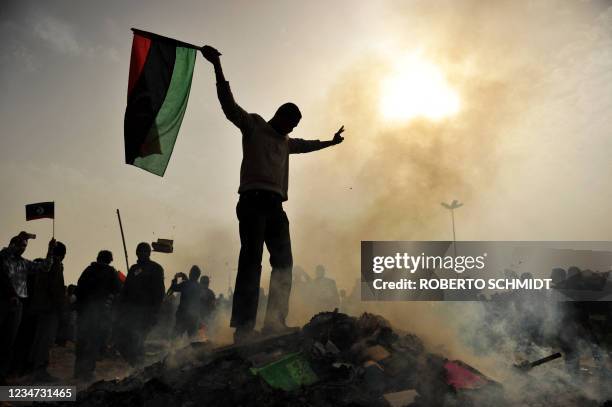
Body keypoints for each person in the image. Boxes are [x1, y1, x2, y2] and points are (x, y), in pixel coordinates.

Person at [200, 45, 346, 343]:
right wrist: (216, 66)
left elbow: (306, 145)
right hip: (252, 202)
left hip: (275, 206)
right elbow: (229, 106)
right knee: (250, 261)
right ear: (280, 115)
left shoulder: (287, 141)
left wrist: (330, 143)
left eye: (295, 126)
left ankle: (274, 323)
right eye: (291, 122)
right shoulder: (254, 125)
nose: (292, 128)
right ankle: (243, 327)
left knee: (283, 263)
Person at [0, 232, 55, 384]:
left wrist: (50, 250)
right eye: (20, 244)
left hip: (17, 304)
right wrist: (19, 237)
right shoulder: (4, 257)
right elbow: (6, 251)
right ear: (13, 244)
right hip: (3, 301)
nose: (22, 248)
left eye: (25, 246)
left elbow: (45, 267)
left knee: (8, 341)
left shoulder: (23, 263)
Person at [73, 250, 121, 381]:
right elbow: (118, 289)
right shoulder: (110, 272)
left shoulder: (88, 270)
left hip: (84, 312)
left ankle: (78, 371)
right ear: (109, 260)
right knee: (93, 342)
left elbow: (79, 286)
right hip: (99, 313)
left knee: (82, 341)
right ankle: (88, 371)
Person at [114, 243, 165, 366]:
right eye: (140, 251)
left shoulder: (156, 268)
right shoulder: (133, 269)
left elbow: (159, 293)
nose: (142, 254)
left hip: (146, 312)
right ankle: (137, 365)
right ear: (136, 253)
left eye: (145, 251)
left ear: (149, 253)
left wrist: (155, 312)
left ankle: (140, 369)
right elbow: (126, 290)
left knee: (138, 340)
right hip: (130, 312)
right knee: (122, 341)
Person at [28, 242, 67, 381]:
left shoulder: (44, 264)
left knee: (39, 337)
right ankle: (40, 371)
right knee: (46, 339)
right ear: (63, 255)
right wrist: (61, 308)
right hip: (50, 308)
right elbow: (56, 289)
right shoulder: (55, 265)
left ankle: (34, 368)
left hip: (40, 306)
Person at [169, 266, 202, 339]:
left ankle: (174, 349)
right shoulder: (199, 286)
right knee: (192, 338)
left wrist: (175, 279)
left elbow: (173, 289)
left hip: (183, 315)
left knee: (176, 337)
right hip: (194, 316)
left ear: (191, 274)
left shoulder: (186, 284)